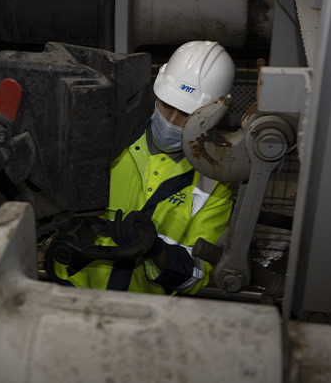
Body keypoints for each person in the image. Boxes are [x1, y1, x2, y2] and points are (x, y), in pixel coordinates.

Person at [47, 40, 236, 295]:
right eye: (166, 105)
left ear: (213, 116)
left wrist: (155, 249)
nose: (171, 121)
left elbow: (196, 275)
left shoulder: (214, 184)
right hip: (68, 290)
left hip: (139, 309)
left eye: (187, 115)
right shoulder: (110, 138)